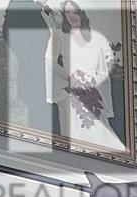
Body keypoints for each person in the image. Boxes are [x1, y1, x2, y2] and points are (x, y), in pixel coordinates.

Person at [35, 0, 124, 154]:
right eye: (67, 13)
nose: (71, 16)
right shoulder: (59, 36)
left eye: (74, 12)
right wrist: (70, 77)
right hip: (69, 89)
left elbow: (102, 69)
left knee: (101, 131)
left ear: (81, 14)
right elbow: (49, 61)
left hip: (91, 90)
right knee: (75, 131)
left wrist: (91, 81)